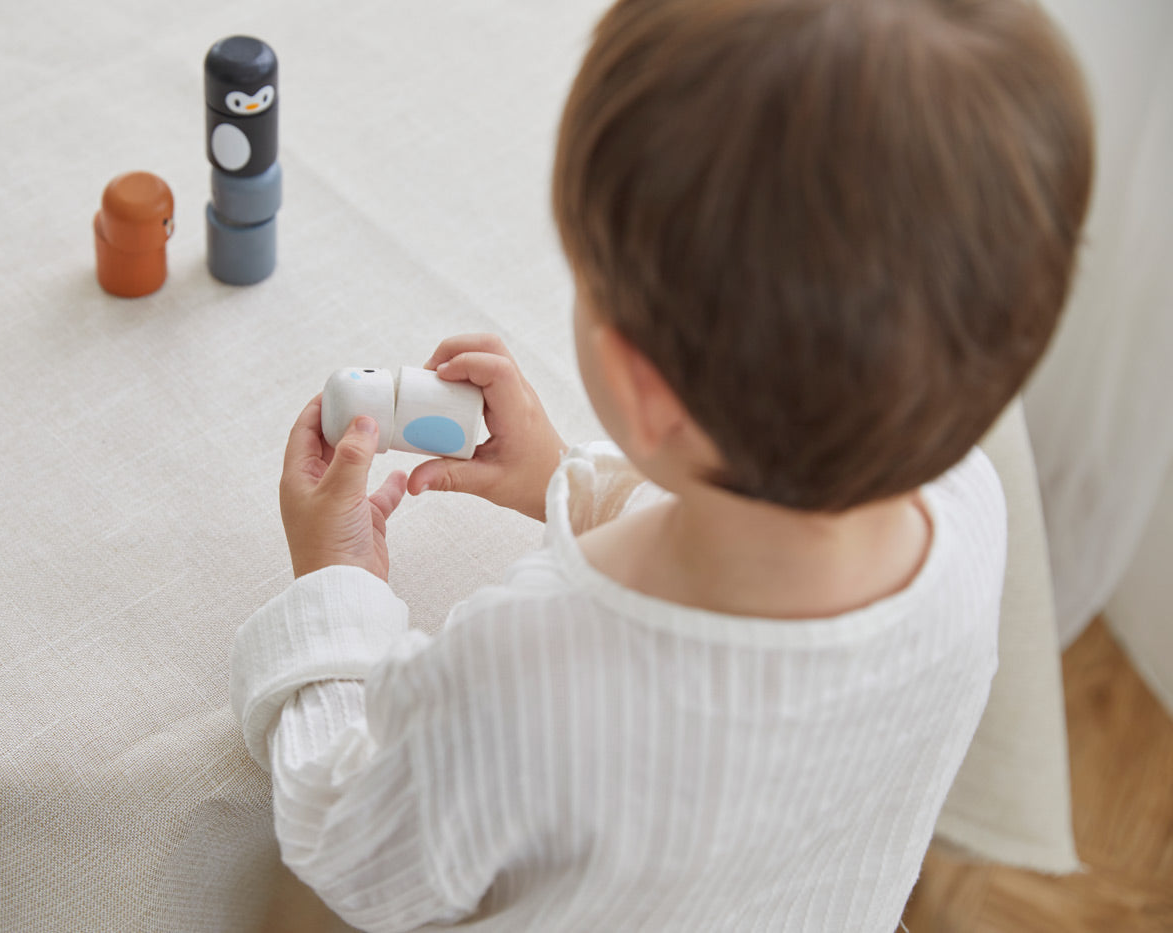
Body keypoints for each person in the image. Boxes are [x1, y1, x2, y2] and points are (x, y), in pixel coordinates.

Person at [231, 0, 1093, 928]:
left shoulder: (522, 671)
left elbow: (354, 845)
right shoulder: (968, 503)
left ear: (644, 390)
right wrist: (568, 477)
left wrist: (336, 586)